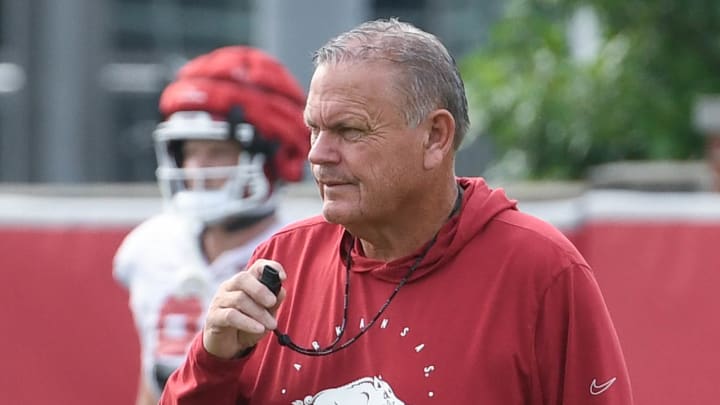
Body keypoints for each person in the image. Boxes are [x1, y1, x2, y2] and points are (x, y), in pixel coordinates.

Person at [159, 18, 634, 404]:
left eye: (348, 131)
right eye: (314, 130)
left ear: (435, 138)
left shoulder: (542, 270)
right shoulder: (282, 261)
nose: (318, 155)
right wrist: (213, 359)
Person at [113, 45, 310, 405]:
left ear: (274, 154)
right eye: (188, 151)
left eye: (218, 151)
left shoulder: (305, 256)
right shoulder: (150, 247)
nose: (197, 168)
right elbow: (155, 381)